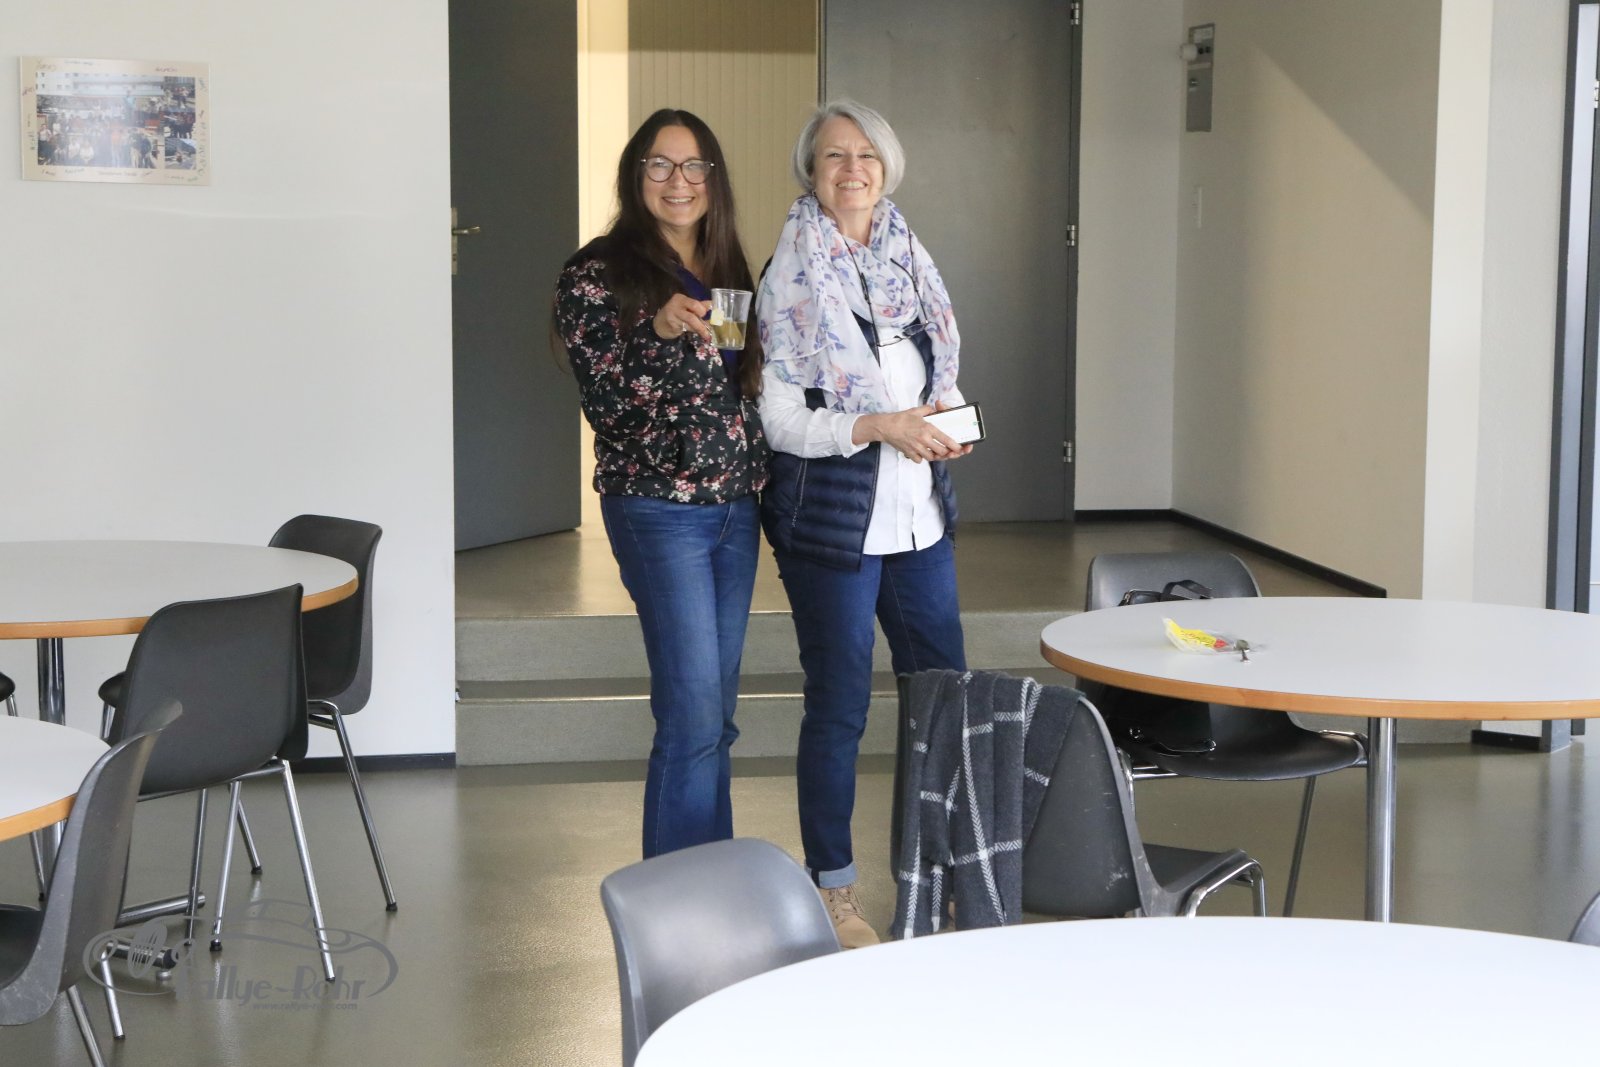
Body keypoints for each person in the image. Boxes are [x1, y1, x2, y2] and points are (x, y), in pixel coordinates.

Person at [755, 100, 973, 948]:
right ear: (811, 172)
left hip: (920, 524)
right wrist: (878, 425)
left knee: (944, 703)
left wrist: (948, 421)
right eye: (834, 157)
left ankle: (943, 874)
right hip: (833, 530)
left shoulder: (909, 262)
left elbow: (936, 379)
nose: (852, 170)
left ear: (887, 168)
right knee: (840, 706)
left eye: (867, 156)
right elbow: (780, 421)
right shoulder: (789, 274)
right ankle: (834, 892)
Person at [553, 109, 768, 859]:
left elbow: (738, 389)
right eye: (660, 165)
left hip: (735, 510)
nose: (679, 181)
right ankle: (678, 900)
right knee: (692, 714)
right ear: (635, 174)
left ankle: (714, 877)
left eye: (695, 165)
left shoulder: (727, 266)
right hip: (657, 510)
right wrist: (656, 334)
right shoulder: (597, 275)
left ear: (714, 178)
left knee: (717, 715)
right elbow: (607, 408)